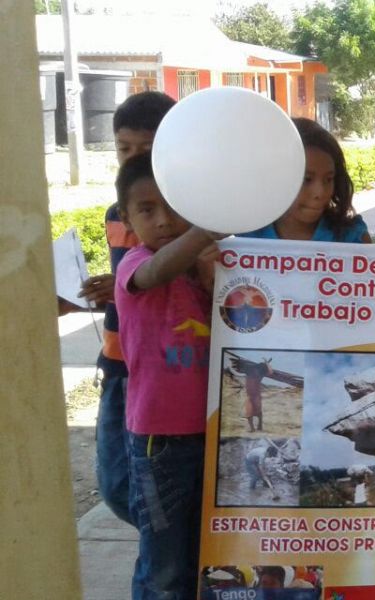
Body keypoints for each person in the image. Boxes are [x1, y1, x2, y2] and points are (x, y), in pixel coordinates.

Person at [113, 153, 221, 599]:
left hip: (213, 432)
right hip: (160, 442)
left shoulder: (205, 265)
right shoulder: (133, 265)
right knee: (164, 566)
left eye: (174, 207)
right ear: (127, 219)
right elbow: (157, 272)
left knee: (200, 555)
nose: (163, 220)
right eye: (147, 210)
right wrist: (204, 231)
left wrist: (213, 277)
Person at [76, 91, 176, 527]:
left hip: (159, 367)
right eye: (124, 148)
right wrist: (88, 292)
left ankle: (167, 557)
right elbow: (127, 281)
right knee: (117, 486)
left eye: (147, 149)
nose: (133, 158)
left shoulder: (183, 216)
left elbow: (163, 287)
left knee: (153, 488)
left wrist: (118, 290)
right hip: (117, 361)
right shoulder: (116, 213)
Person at [241, 118, 371, 243]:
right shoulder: (247, 230)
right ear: (274, 178)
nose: (320, 192)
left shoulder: (352, 236)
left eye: (329, 179)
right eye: (306, 179)